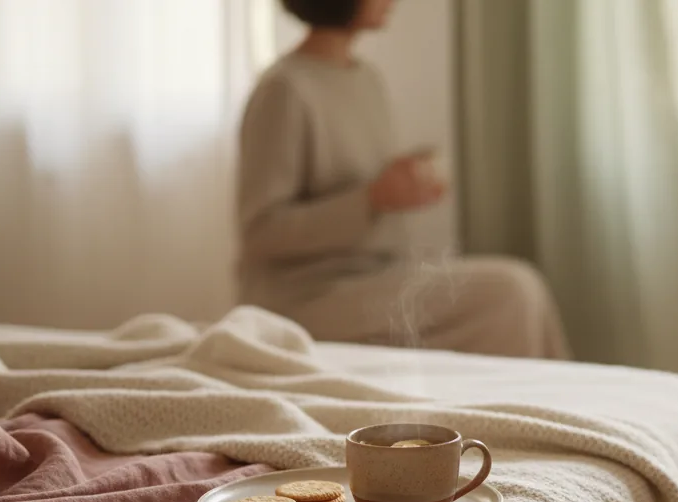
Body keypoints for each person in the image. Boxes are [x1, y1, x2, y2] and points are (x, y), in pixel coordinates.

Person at [235, 0, 571, 359]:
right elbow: (260, 232)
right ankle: (534, 409)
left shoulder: (366, 79)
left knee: (521, 289)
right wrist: (373, 199)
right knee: (512, 290)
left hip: (377, 276)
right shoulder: (283, 90)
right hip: (306, 297)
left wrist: (407, 184)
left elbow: (368, 186)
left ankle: (555, 407)